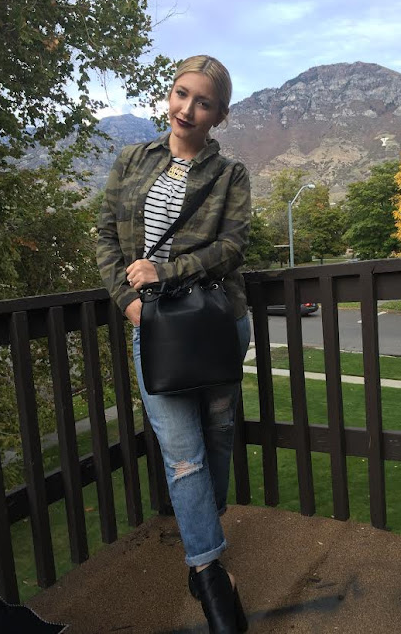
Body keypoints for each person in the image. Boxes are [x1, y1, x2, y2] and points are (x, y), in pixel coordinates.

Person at [96, 55, 251, 633]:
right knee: (183, 453)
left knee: (218, 437)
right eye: (181, 93)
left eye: (203, 101)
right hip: (156, 327)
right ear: (171, 94)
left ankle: (203, 536)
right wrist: (127, 300)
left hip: (217, 321)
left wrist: (166, 272)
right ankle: (209, 572)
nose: (187, 109)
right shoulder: (134, 160)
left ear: (219, 114)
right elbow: (106, 235)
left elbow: (232, 247)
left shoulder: (230, 174)